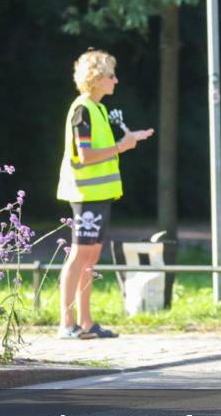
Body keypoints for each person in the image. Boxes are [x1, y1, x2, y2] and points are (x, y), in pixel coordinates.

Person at [56, 49, 154, 339]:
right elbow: (85, 155)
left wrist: (128, 141)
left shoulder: (97, 109)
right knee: (79, 256)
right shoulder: (83, 110)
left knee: (91, 257)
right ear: (96, 78)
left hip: (99, 195)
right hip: (85, 195)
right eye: (111, 75)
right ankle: (66, 324)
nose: (116, 80)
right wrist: (122, 146)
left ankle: (86, 322)